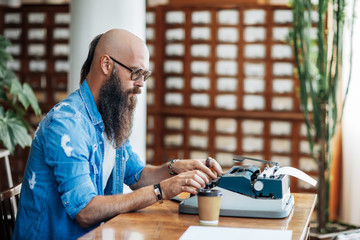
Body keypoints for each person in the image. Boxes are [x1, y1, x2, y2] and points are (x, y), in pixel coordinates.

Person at [13, 29, 223, 240]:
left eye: (144, 76)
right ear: (106, 65)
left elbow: (137, 175)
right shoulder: (68, 123)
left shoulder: (109, 114)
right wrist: (161, 191)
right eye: (136, 73)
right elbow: (85, 211)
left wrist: (174, 168)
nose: (141, 84)